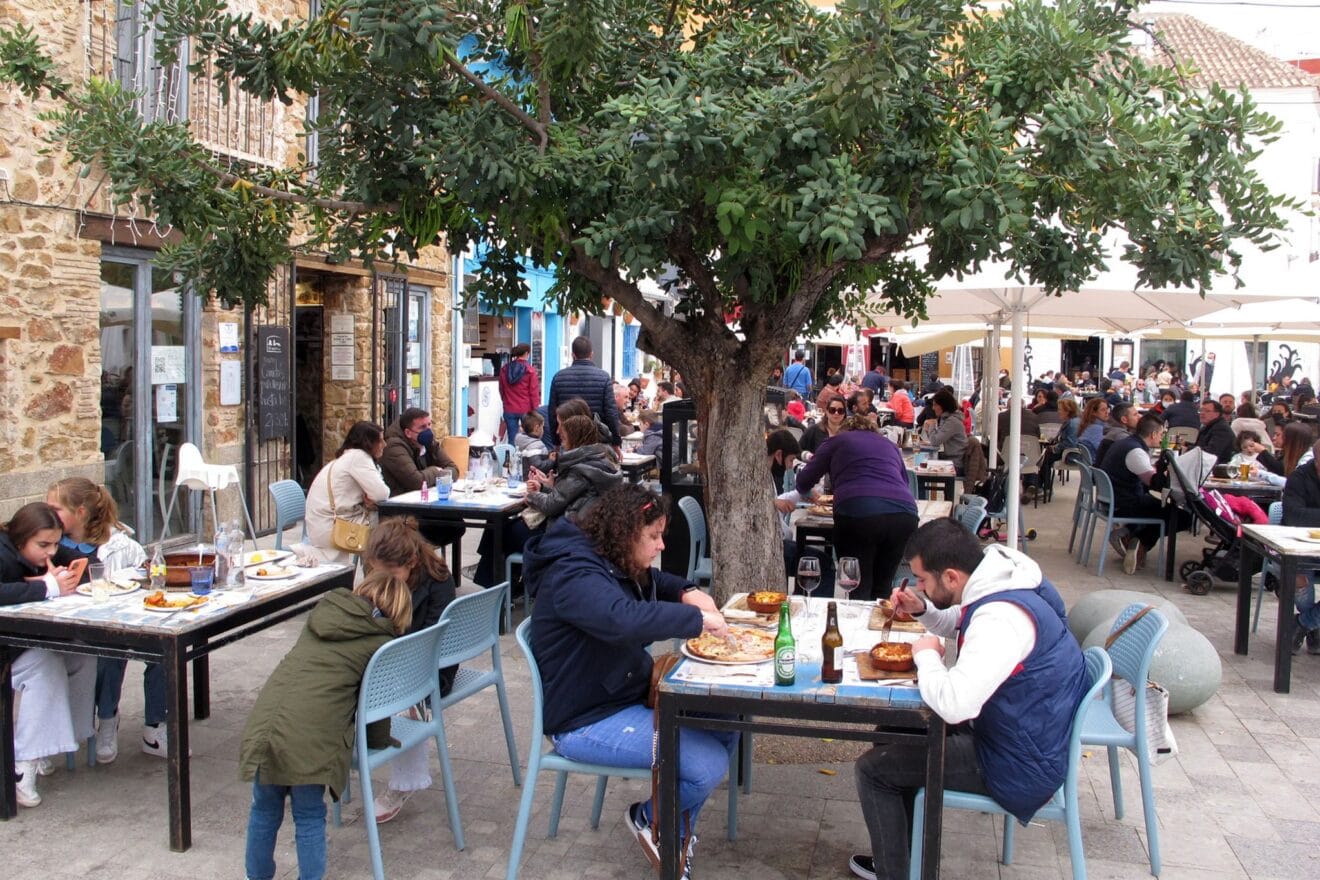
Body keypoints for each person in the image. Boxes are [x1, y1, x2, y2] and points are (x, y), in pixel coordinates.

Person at [849, 519, 1087, 880]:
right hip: (1019, 729)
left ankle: (894, 873)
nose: (918, 586)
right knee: (894, 729)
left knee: (873, 770)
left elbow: (955, 703)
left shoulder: (1000, 618)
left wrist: (925, 655)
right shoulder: (1001, 576)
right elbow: (960, 620)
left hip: (1014, 761)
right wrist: (922, 610)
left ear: (951, 577)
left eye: (923, 580)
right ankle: (902, 860)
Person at [523, 484, 734, 874]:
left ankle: (672, 831)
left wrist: (686, 591)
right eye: (653, 536)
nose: (661, 547)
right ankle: (650, 819)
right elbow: (621, 619)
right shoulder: (573, 573)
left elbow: (652, 583)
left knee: (726, 715)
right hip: (585, 719)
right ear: (624, 532)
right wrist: (697, 621)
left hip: (621, 692)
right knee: (706, 766)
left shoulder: (609, 556)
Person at [239, 571, 413, 880]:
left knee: (264, 809)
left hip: (266, 722)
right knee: (308, 815)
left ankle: (257, 876)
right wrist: (378, 741)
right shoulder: (380, 644)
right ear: (398, 611)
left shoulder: (326, 612)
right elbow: (374, 708)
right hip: (312, 737)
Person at [45, 478, 152, 763]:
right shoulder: (47, 543)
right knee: (45, 659)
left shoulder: (119, 545)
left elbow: (144, 578)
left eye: (55, 508)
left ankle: (107, 719)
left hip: (106, 623)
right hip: (61, 627)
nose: (48, 513)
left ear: (80, 512)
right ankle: (50, 734)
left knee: (111, 651)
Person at [361, 519, 458, 823]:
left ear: (412, 562)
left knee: (401, 701)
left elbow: (430, 644)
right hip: (389, 659)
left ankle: (403, 784)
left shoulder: (437, 580)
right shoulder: (381, 573)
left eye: (390, 574)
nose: (382, 580)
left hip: (429, 669)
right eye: (376, 572)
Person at [0, 502, 92, 807]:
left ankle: (57, 744)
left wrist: (69, 574)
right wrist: (45, 587)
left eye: (55, 543)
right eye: (43, 545)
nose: (51, 552)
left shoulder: (43, 550)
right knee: (46, 665)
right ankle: (22, 764)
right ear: (20, 537)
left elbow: (84, 561)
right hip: (9, 647)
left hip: (20, 640)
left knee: (82, 654)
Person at [796, 416, 918, 601]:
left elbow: (804, 480)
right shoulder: (889, 445)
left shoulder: (837, 440)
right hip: (903, 514)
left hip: (858, 511)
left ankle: (857, 625)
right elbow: (904, 482)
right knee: (883, 587)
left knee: (857, 584)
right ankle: (878, 626)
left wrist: (807, 492)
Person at [296, 421, 392, 565]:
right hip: (331, 524)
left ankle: (373, 572)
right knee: (386, 530)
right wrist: (371, 500)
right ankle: (376, 574)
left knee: (379, 522)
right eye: (380, 440)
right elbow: (382, 493)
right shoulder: (358, 457)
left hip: (323, 520)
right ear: (369, 443)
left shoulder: (349, 456)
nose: (384, 444)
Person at [1100, 414, 1171, 574]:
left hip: (1112, 498)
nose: (1161, 438)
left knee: (1160, 505)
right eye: (1161, 434)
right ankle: (1140, 543)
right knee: (1177, 513)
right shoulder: (1136, 452)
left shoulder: (1124, 443)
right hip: (1123, 503)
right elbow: (1153, 483)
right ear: (1153, 434)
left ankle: (1131, 536)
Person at [767, 430, 835, 596]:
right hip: (773, 545)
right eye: (790, 460)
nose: (790, 466)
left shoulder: (765, 474)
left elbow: (778, 500)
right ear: (778, 455)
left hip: (779, 540)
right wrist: (775, 502)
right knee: (822, 563)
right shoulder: (759, 476)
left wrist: (801, 494)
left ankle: (801, 598)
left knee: (814, 559)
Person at [525, 415, 623, 525]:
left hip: (570, 528)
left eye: (564, 439)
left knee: (514, 529)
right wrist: (544, 488)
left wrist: (532, 495)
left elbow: (551, 506)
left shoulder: (580, 470)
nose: (561, 441)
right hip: (591, 524)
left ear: (574, 439)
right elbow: (570, 496)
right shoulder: (601, 459)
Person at [1280, 439, 1320, 653]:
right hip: (1298, 546)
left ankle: (1303, 624)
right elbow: (1294, 515)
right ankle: (1314, 628)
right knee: (1298, 581)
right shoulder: (1299, 478)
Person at [545, 336, 621, 448]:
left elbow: (552, 413)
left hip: (568, 438)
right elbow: (611, 412)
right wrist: (615, 441)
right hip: (596, 439)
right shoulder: (604, 377)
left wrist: (556, 442)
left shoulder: (559, 377)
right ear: (591, 354)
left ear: (573, 355)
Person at [379, 408, 459, 496]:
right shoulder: (394, 447)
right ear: (408, 433)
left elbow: (453, 469)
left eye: (429, 425)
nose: (428, 431)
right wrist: (436, 471)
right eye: (423, 427)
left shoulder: (429, 442)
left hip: (423, 499)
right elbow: (416, 482)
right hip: (399, 503)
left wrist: (437, 475)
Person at [497, 343, 540, 443]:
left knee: (512, 438)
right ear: (526, 353)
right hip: (526, 408)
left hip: (509, 408)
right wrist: (535, 410)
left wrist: (505, 401)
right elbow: (533, 393)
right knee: (528, 438)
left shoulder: (504, 369)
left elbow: (501, 389)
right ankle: (525, 457)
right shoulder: (530, 371)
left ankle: (512, 457)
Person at [921, 389, 968, 472]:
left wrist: (931, 425)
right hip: (952, 459)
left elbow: (935, 441)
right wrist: (930, 429)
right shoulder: (947, 418)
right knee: (924, 463)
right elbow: (935, 438)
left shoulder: (952, 421)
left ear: (943, 406)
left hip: (956, 464)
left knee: (923, 468)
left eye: (935, 405)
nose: (933, 408)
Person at [1195, 399, 1237, 463]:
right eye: (1201, 410)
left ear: (1217, 414)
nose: (1202, 413)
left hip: (1219, 467)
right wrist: (1185, 444)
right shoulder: (1208, 426)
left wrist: (1188, 449)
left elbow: (1211, 452)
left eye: (1207, 411)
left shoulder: (1221, 429)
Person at [1076, 397, 1109, 463]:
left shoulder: (1087, 425)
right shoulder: (1096, 429)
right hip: (1098, 465)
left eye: (1107, 409)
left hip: (1091, 465)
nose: (1107, 412)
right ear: (1094, 412)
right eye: (1103, 410)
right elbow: (1103, 451)